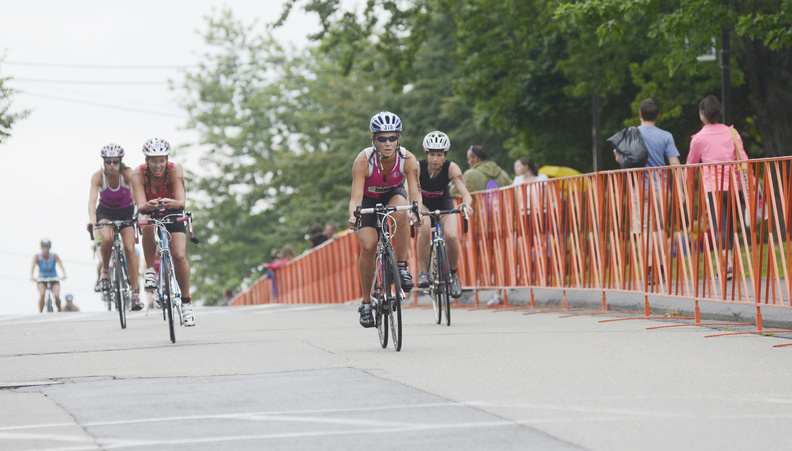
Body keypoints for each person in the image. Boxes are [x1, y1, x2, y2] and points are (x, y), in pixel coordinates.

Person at [348, 111, 422, 328]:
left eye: (392, 138)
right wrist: (353, 216)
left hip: (393, 194)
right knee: (369, 246)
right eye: (382, 138)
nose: (387, 143)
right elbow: (355, 199)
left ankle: (401, 266)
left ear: (399, 138)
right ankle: (365, 303)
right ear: (374, 140)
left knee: (401, 210)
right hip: (368, 201)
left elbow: (415, 194)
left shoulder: (408, 159)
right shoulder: (363, 160)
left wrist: (416, 212)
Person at [614, 98, 681, 284]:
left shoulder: (628, 134)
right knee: (659, 229)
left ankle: (649, 270)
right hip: (659, 187)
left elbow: (619, 158)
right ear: (658, 115)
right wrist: (681, 190)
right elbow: (674, 163)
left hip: (637, 188)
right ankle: (660, 269)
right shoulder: (666, 136)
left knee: (643, 230)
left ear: (640, 114)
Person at [130, 137, 196, 326]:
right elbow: (140, 204)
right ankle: (150, 269)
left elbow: (182, 201)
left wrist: (173, 203)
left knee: (179, 256)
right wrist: (148, 205)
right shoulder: (138, 174)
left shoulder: (175, 170)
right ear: (146, 161)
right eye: (153, 160)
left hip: (173, 209)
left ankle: (186, 303)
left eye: (161, 160)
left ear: (167, 160)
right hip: (150, 210)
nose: (157, 165)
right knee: (147, 224)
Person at [687, 95, 749, 280]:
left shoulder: (698, 139)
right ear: (719, 112)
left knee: (719, 226)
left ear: (702, 115)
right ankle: (729, 263)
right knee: (730, 225)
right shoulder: (732, 133)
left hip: (713, 188)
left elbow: (690, 165)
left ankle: (726, 265)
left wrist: (688, 186)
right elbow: (743, 159)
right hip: (734, 186)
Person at [415, 131, 474, 299]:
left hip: (443, 202)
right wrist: (415, 210)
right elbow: (408, 190)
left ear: (445, 155)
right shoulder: (418, 167)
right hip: (423, 202)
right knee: (425, 227)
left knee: (452, 236)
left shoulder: (452, 167)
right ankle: (424, 272)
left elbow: (466, 194)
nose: (435, 159)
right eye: (432, 154)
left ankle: (454, 276)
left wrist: (466, 205)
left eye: (439, 155)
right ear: (426, 154)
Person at [87, 143, 143, 311]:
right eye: (108, 162)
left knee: (129, 249)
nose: (112, 165)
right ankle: (105, 270)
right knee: (106, 238)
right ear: (104, 163)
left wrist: (137, 214)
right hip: (106, 212)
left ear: (120, 162)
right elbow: (91, 201)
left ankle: (135, 294)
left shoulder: (127, 174)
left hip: (126, 212)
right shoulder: (98, 177)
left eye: (115, 162)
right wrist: (92, 220)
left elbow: (135, 197)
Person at [29, 239, 67, 313]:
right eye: (44, 247)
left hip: (53, 278)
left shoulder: (54, 256)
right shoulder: (37, 256)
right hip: (42, 278)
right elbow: (33, 266)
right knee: (42, 294)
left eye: (47, 247)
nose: (45, 249)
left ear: (50, 248)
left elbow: (61, 265)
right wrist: (32, 276)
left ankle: (59, 309)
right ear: (41, 248)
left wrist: (64, 274)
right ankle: (40, 312)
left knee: (56, 295)